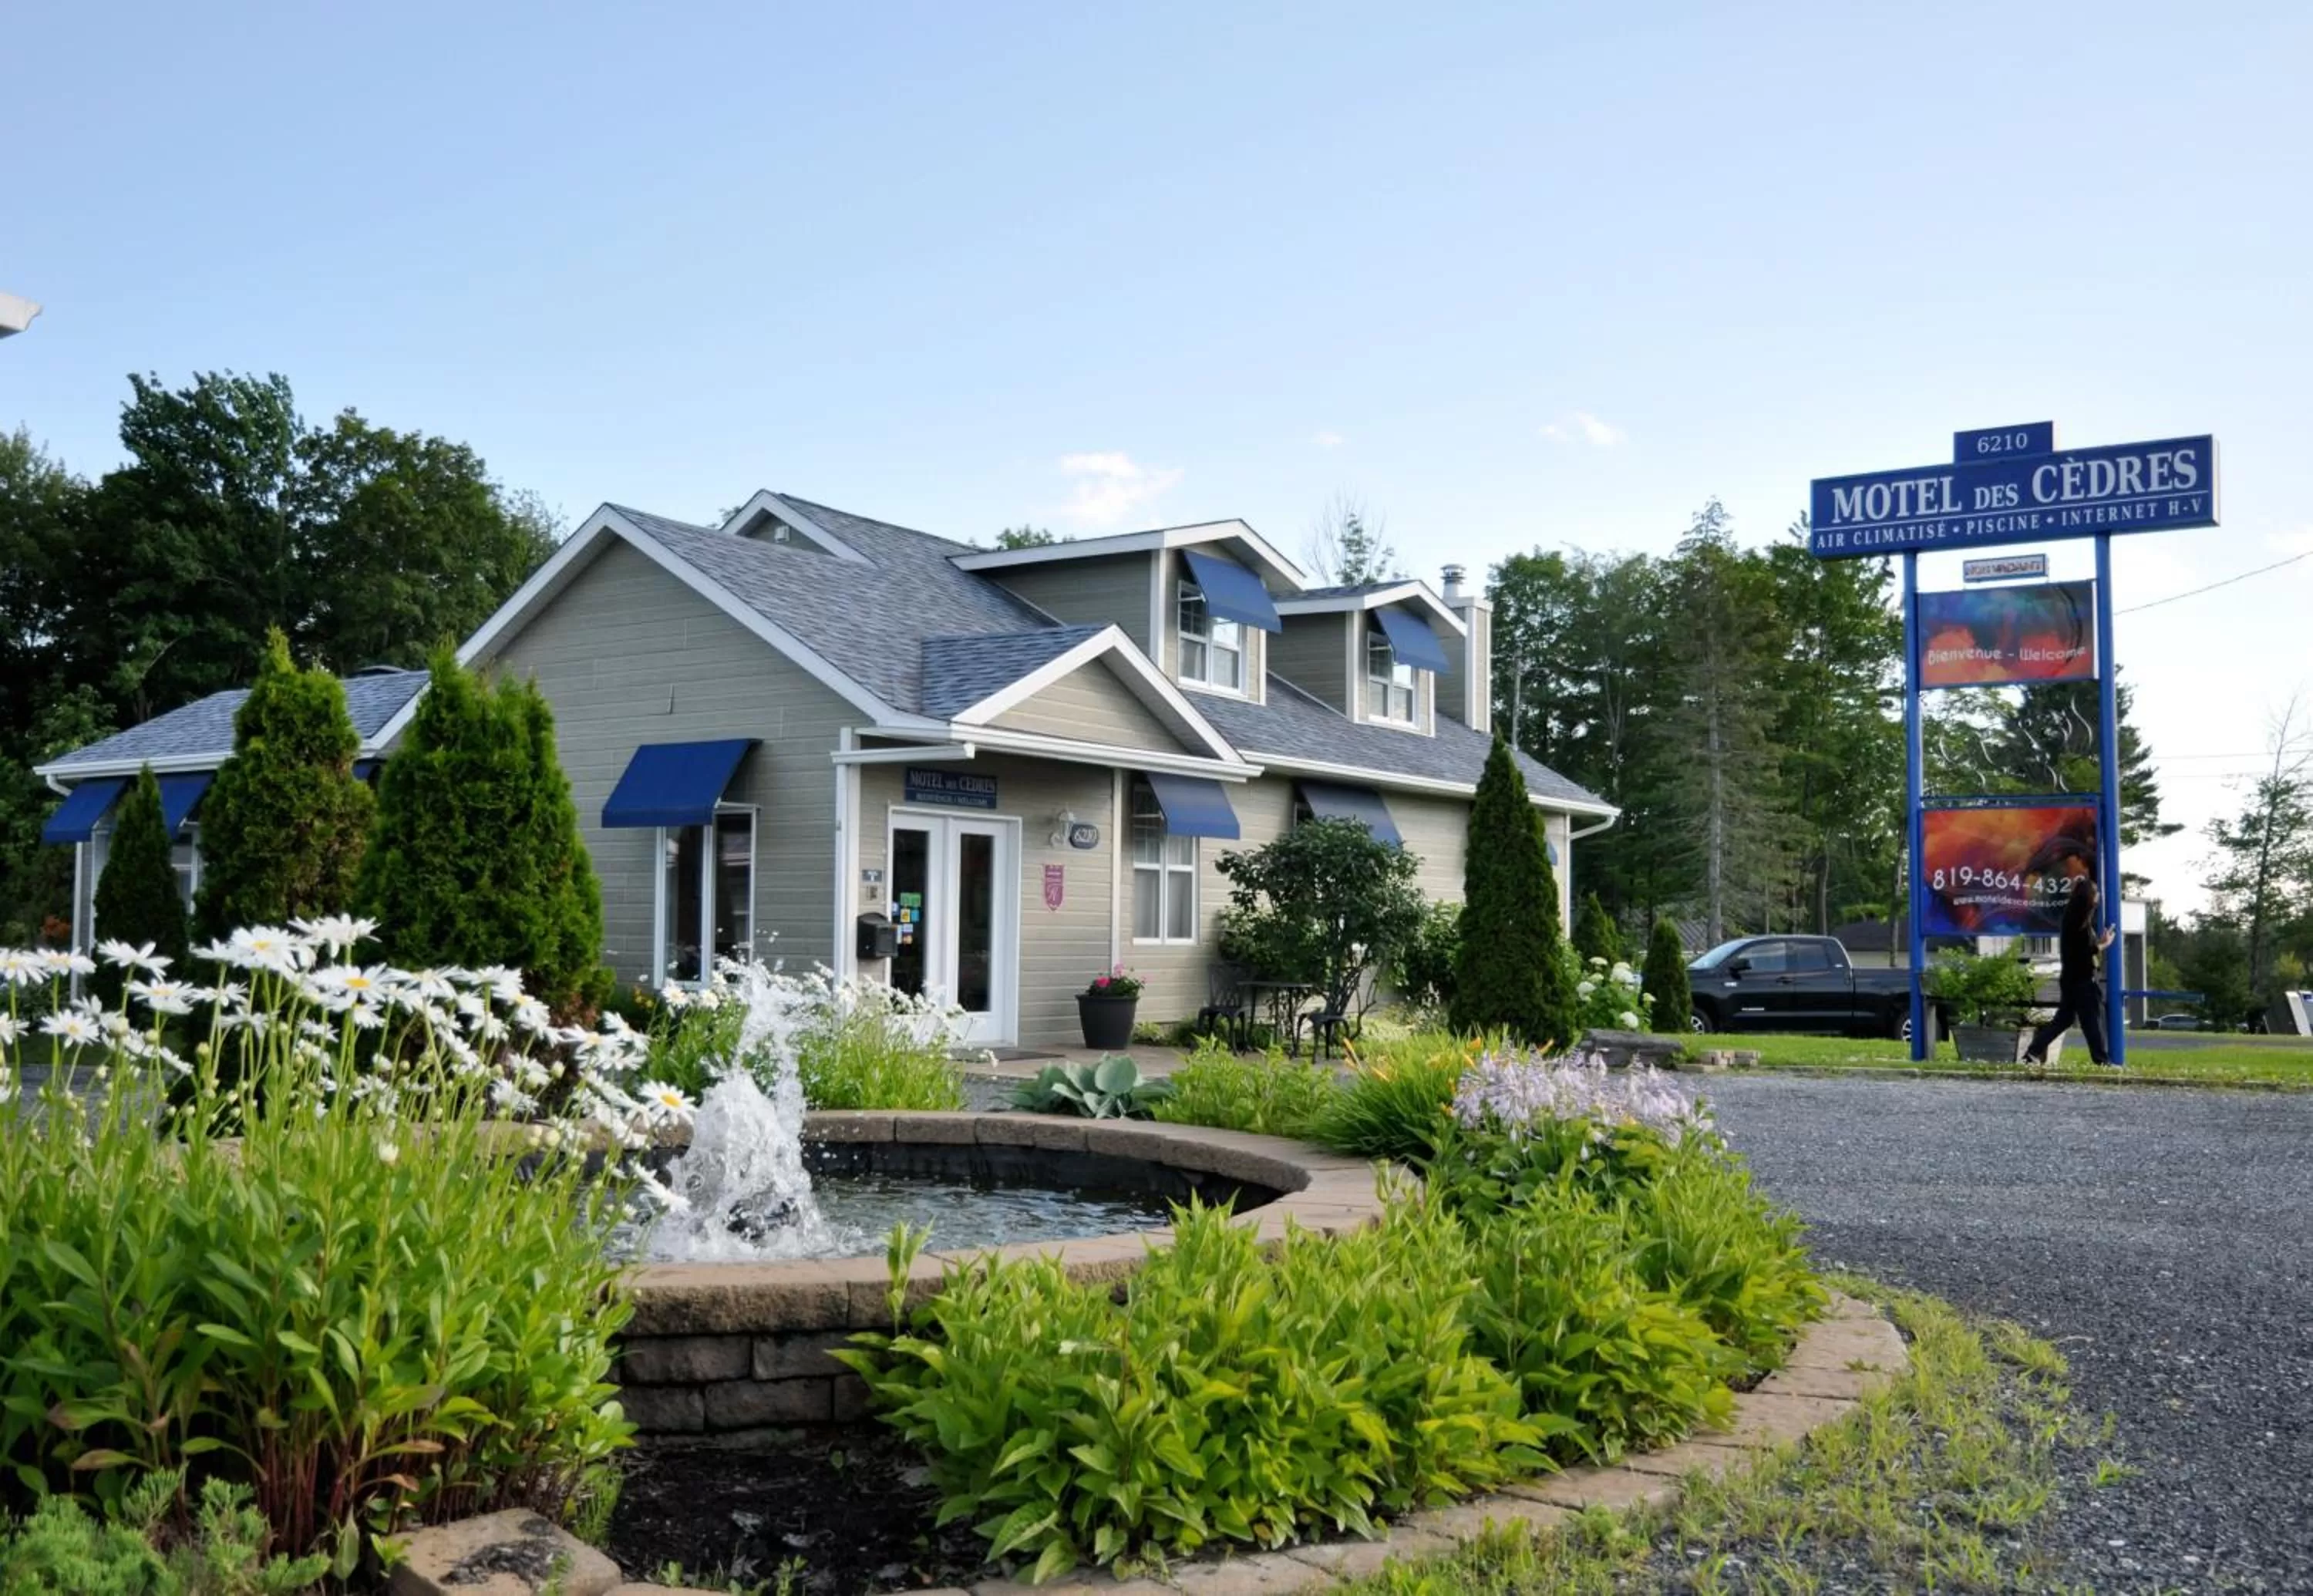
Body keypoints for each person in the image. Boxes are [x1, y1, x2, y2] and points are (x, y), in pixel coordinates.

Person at [2025, 874, 2117, 1066]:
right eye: (2096, 893)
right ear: (2089, 898)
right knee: (2091, 1021)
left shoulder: (2072, 919)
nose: (2098, 896)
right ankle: (2101, 1061)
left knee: (2064, 1020)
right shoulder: (2081, 924)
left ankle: (2032, 1052)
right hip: (2083, 979)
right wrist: (2103, 945)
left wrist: (2097, 943)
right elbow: (2084, 952)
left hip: (2070, 978)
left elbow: (2077, 949)